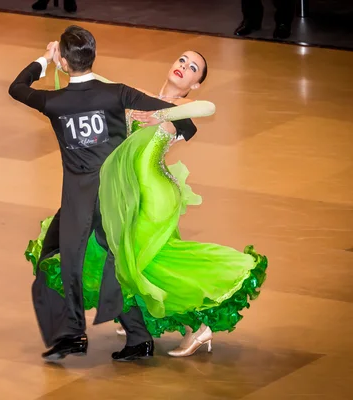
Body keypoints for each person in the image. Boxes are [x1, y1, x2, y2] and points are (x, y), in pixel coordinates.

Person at [25, 50, 268, 358]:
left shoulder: (181, 106)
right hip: (125, 191)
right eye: (181, 60)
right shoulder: (139, 96)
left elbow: (209, 107)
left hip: (153, 195)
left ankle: (186, 325)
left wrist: (162, 115)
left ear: (195, 84)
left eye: (193, 68)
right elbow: (99, 81)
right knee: (134, 261)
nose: (183, 66)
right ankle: (157, 328)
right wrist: (62, 59)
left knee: (138, 261)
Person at [9, 25, 198, 362]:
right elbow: (187, 123)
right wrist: (160, 121)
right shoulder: (117, 94)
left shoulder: (54, 102)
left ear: (65, 62)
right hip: (114, 198)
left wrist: (44, 59)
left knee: (63, 259)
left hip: (80, 199)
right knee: (113, 264)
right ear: (93, 57)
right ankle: (136, 338)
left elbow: (17, 88)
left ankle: (73, 334)